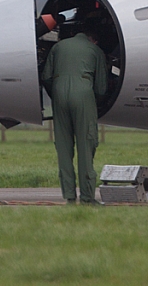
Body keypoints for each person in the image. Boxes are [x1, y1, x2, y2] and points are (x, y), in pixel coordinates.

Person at [41, 26, 108, 204]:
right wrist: (96, 103)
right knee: (86, 145)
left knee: (64, 147)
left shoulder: (58, 47)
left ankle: (69, 196)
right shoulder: (96, 50)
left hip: (59, 93)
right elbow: (101, 88)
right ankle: (87, 197)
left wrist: (56, 93)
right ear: (93, 40)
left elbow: (46, 76)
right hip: (83, 94)